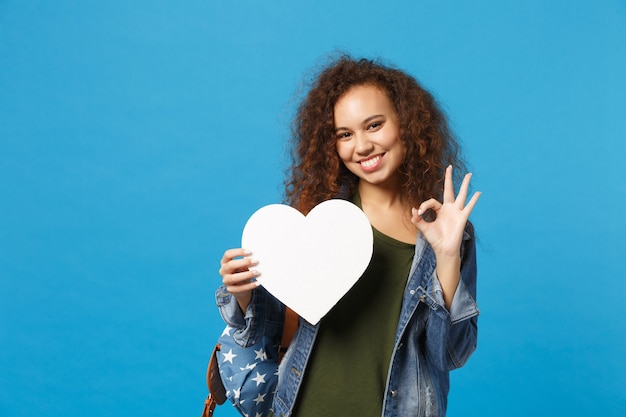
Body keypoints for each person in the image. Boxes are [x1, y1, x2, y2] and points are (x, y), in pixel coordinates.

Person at [216, 55, 481, 417]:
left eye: (374, 125)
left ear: (406, 123)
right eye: (345, 134)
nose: (361, 146)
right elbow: (268, 333)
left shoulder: (447, 232)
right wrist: (244, 295)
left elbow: (449, 353)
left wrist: (447, 256)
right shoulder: (316, 221)